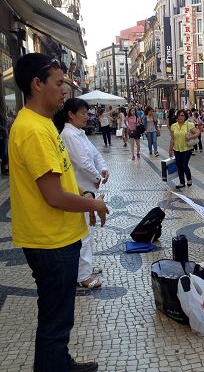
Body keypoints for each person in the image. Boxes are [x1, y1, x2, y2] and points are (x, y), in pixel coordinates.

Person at [9, 53, 108, 372]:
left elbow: (57, 180)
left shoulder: (41, 123)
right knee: (55, 321)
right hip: (51, 242)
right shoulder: (35, 130)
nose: (65, 90)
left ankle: (60, 363)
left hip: (56, 237)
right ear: (37, 84)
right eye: (59, 82)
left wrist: (82, 194)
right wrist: (92, 203)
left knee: (57, 317)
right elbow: (52, 196)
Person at [54, 98, 110, 289]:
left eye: (87, 113)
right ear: (70, 114)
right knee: (84, 233)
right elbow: (83, 163)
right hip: (80, 191)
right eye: (83, 113)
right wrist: (98, 177)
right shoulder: (68, 135)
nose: (87, 116)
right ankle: (83, 277)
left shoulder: (79, 133)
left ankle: (86, 268)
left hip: (89, 190)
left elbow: (94, 154)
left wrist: (103, 168)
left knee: (89, 229)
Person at [169, 110, 200, 189]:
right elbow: (172, 138)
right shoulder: (173, 126)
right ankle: (182, 182)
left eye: (182, 115)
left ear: (185, 117)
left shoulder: (189, 125)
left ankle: (189, 179)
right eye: (179, 115)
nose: (180, 117)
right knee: (179, 166)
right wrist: (170, 149)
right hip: (177, 148)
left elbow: (197, 132)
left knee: (184, 165)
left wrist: (190, 137)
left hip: (187, 148)